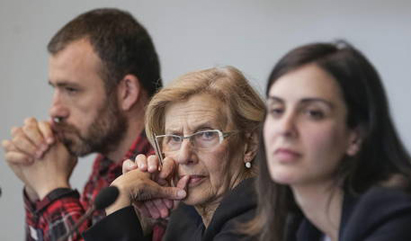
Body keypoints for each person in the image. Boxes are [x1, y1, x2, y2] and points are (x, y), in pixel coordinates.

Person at [1, 8, 170, 241]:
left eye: (71, 90)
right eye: (55, 89)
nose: (55, 110)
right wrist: (37, 187)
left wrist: (52, 189)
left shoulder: (165, 171)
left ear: (127, 92)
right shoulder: (106, 165)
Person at [249, 41, 411, 241]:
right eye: (277, 110)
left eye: (313, 113)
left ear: (356, 136)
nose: (285, 128)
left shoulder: (398, 218)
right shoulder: (298, 225)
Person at [83, 66, 265, 241]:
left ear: (250, 145)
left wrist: (119, 205)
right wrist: (136, 223)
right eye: (174, 138)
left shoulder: (258, 221)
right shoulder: (186, 217)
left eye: (206, 134)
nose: (184, 156)